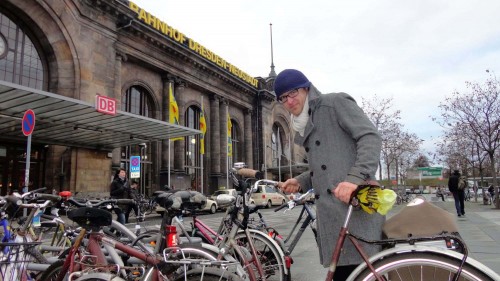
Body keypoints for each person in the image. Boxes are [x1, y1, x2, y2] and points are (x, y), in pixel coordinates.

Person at [274, 69, 383, 280]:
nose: (289, 101)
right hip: (335, 217)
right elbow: (325, 165)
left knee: (359, 271)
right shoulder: (305, 124)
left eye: (293, 92)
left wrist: (355, 180)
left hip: (355, 210)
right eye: (283, 97)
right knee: (349, 272)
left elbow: (370, 137)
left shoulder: (334, 103)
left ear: (306, 88)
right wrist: (300, 181)